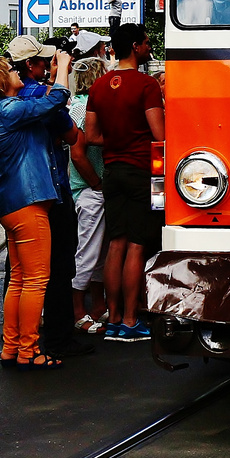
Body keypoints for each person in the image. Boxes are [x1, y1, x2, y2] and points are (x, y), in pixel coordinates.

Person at [0, 51, 75, 370]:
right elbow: (55, 99)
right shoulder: (11, 108)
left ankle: (11, 346)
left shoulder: (1, 110)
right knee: (36, 280)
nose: (17, 72)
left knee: (19, 278)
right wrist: (64, 70)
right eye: (10, 70)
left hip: (11, 203)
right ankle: (29, 350)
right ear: (3, 82)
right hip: (29, 201)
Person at [5, 35, 98, 358]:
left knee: (18, 273)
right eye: (43, 61)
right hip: (50, 190)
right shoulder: (43, 98)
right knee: (54, 269)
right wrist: (60, 76)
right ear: (30, 65)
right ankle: (52, 340)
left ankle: (15, 342)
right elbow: (72, 133)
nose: (48, 65)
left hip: (16, 193)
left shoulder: (7, 98)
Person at [86, 23, 163, 342]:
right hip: (141, 171)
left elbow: (90, 136)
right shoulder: (146, 85)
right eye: (146, 43)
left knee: (115, 244)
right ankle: (132, 319)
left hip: (112, 171)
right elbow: (160, 135)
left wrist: (117, 141)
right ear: (134, 46)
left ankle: (114, 316)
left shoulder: (99, 85)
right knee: (137, 245)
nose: (148, 48)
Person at [67, 57, 110, 334]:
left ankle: (97, 306)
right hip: (88, 189)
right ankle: (78, 311)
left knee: (99, 252)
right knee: (88, 252)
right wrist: (96, 184)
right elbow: (78, 154)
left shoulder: (79, 106)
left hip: (90, 188)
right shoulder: (84, 109)